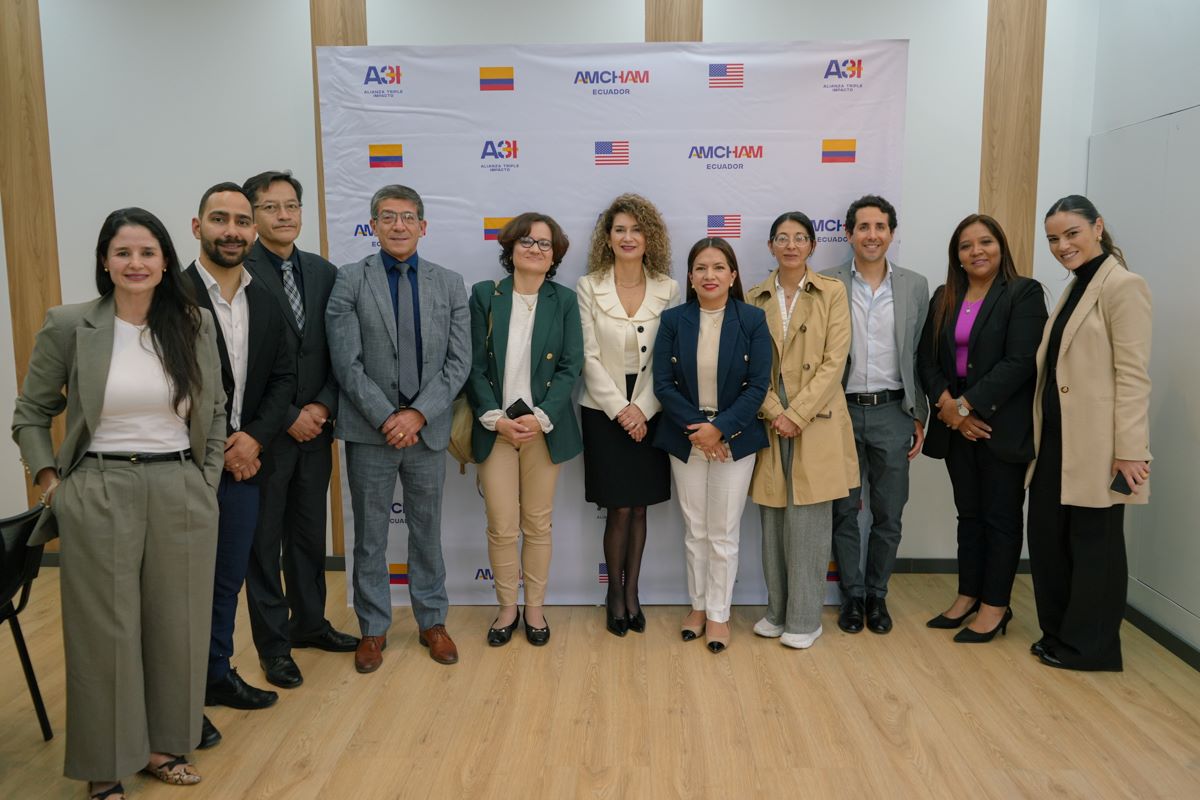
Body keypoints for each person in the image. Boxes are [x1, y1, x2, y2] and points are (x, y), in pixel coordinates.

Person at [12, 208, 225, 800]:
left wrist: (206, 481)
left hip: (180, 488)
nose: (136, 264)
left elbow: (215, 408)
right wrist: (54, 484)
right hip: (100, 488)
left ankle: (163, 747)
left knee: (177, 626)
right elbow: (30, 413)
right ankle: (105, 764)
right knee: (105, 632)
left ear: (165, 261)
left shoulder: (194, 323)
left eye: (147, 253)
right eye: (123, 253)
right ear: (105, 261)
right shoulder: (69, 323)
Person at [327, 184, 471, 672]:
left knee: (426, 531)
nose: (398, 226)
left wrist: (417, 414)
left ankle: (432, 620)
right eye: (387, 217)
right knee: (369, 535)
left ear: (423, 226)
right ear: (373, 225)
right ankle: (372, 629)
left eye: (408, 217)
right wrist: (388, 417)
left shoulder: (450, 284)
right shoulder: (349, 280)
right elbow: (346, 362)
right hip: (371, 432)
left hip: (427, 431)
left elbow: (458, 362)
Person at [184, 183, 295, 744]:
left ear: (253, 231)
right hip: (183, 471)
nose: (232, 230)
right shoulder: (169, 297)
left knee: (228, 579)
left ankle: (216, 674)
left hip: (247, 464)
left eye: (241, 221)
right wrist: (224, 444)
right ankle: (176, 702)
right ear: (197, 226)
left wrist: (251, 438)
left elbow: (282, 379)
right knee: (180, 589)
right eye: (219, 219)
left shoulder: (265, 298)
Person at [241, 170, 358, 693]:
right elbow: (236, 364)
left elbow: (340, 349)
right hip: (265, 433)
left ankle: (310, 623)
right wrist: (288, 413)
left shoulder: (323, 271)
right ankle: (274, 646)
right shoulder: (237, 272)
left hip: (318, 428)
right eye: (270, 207)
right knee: (263, 543)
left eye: (291, 206)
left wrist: (324, 406)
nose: (283, 215)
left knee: (309, 535)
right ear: (252, 216)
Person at [1028, 195, 1152, 671]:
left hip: (1101, 447)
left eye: (1071, 234)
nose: (1062, 246)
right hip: (1056, 442)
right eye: (1054, 239)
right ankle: (1060, 635)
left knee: (1094, 547)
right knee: (1049, 540)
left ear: (1097, 227)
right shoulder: (1076, 286)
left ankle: (1092, 649)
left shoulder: (1123, 286)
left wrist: (1130, 451)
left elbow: (1134, 375)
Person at [917, 214, 1047, 642]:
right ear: (956, 255)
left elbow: (1021, 362)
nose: (977, 251)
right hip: (957, 430)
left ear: (1001, 246)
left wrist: (968, 405)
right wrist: (951, 411)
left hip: (1000, 429)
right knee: (969, 516)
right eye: (967, 245)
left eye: (985, 242)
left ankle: (996, 606)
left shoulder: (1023, 294)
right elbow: (927, 362)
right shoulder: (944, 297)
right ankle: (968, 594)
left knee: (1001, 518)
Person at [465, 213, 582, 646]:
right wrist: (497, 418)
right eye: (527, 242)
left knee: (537, 524)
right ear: (511, 248)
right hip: (495, 427)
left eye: (545, 244)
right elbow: (472, 365)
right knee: (501, 525)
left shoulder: (564, 300)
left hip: (543, 429)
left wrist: (541, 416)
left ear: (555, 256)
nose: (535, 249)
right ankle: (506, 609)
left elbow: (572, 365)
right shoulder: (484, 295)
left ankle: (534, 608)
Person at [653, 237, 770, 653]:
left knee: (723, 532)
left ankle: (719, 614)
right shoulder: (673, 320)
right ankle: (698, 607)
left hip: (734, 440)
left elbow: (758, 386)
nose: (709, 275)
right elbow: (662, 386)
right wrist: (699, 429)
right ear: (690, 276)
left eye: (719, 267)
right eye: (700, 268)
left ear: (733, 275)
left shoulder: (752, 320)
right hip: (687, 438)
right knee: (695, 529)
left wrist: (719, 429)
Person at [746, 212, 857, 650]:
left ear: (812, 245)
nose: (790, 245)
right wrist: (775, 410)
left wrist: (799, 413)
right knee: (773, 518)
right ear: (771, 246)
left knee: (808, 524)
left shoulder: (833, 291)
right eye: (782, 238)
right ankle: (777, 611)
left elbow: (835, 361)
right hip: (770, 420)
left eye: (799, 238)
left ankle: (805, 618)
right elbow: (749, 368)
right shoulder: (755, 298)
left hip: (818, 422)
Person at [822, 195, 929, 635]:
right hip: (840, 412)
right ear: (848, 234)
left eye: (880, 226)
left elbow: (921, 354)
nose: (872, 235)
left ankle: (878, 596)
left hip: (893, 410)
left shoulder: (914, 285)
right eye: (863, 227)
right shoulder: (827, 283)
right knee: (845, 511)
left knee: (889, 513)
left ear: (891, 232)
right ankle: (851, 596)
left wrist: (919, 414)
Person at [576, 194, 678, 636]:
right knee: (617, 508)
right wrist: (623, 410)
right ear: (608, 238)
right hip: (604, 412)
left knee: (640, 509)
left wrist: (644, 408)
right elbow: (588, 357)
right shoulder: (588, 286)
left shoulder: (669, 288)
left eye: (637, 229)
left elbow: (669, 358)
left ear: (649, 236)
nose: (628, 237)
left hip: (653, 409)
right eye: (620, 229)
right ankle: (612, 597)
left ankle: (632, 592)